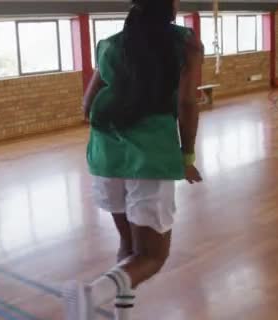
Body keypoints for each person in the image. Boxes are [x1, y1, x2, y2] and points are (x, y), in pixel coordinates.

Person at [63, 0, 204, 319]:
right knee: (152, 256)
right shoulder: (186, 43)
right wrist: (187, 154)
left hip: (106, 157)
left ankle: (120, 315)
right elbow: (186, 102)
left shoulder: (110, 45)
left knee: (130, 248)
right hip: (149, 158)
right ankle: (91, 295)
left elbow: (87, 106)